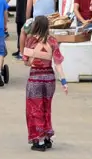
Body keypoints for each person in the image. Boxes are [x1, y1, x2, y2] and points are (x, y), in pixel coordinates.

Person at [22, 16, 68, 151]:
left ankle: (40, 140)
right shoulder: (52, 41)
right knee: (46, 108)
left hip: (35, 78)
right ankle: (48, 137)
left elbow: (27, 61)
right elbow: (58, 63)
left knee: (35, 109)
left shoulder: (31, 40)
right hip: (49, 79)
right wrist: (64, 81)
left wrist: (34, 56)